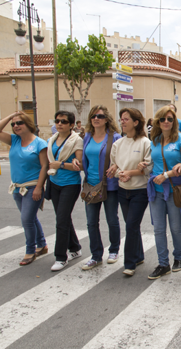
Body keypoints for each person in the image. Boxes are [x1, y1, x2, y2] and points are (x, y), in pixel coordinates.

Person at [0, 112, 48, 266]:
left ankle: (30, 250)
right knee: (30, 218)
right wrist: (11, 116)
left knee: (26, 219)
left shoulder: (39, 143)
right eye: (13, 124)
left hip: (32, 187)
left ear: (28, 124)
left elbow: (44, 166)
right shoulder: (14, 140)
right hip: (17, 188)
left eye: (19, 123)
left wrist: (38, 187)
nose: (16, 126)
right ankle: (42, 245)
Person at [144, 106, 181, 280]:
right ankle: (163, 263)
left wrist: (167, 174)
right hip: (155, 190)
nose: (166, 122)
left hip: (174, 189)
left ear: (175, 122)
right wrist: (145, 166)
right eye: (163, 119)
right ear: (157, 121)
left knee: (175, 228)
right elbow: (153, 162)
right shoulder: (154, 140)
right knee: (158, 229)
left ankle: (178, 256)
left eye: (170, 119)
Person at [73, 105, 122, 270]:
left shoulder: (115, 137)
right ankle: (95, 256)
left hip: (109, 185)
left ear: (106, 119)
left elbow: (121, 158)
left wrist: (116, 166)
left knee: (111, 219)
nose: (96, 119)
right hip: (90, 184)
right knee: (91, 222)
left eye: (100, 116)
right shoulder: (87, 136)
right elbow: (83, 158)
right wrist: (76, 162)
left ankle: (114, 250)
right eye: (93, 116)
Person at [109, 108, 152, 277]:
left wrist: (130, 172)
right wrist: (118, 171)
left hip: (140, 191)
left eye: (126, 119)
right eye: (121, 119)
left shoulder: (144, 143)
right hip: (122, 190)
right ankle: (139, 255)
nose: (122, 121)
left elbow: (148, 167)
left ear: (136, 122)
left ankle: (129, 263)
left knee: (131, 225)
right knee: (132, 225)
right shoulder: (117, 143)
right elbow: (115, 164)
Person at [47, 111, 84, 271]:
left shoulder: (77, 141)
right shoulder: (51, 140)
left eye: (63, 121)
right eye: (57, 121)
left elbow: (80, 166)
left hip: (70, 184)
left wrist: (60, 164)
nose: (59, 123)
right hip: (54, 182)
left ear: (71, 125)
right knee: (63, 218)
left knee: (61, 219)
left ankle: (61, 257)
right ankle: (75, 248)